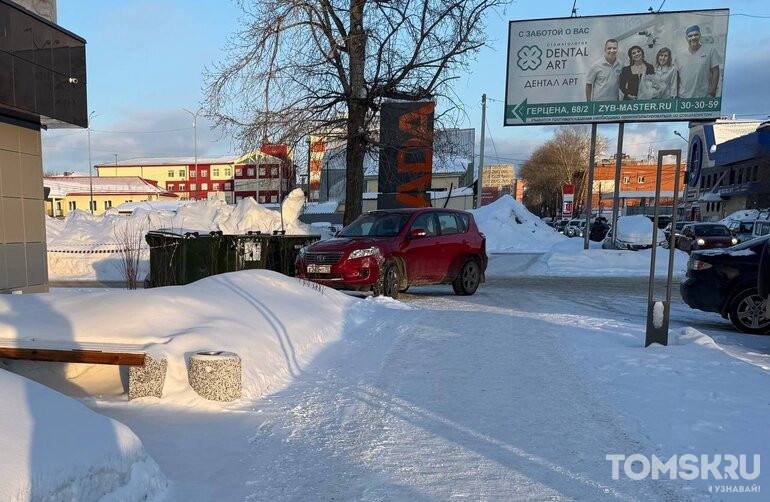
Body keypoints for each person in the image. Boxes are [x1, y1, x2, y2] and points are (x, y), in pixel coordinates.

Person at [676, 25, 721, 98]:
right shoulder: (680, 55)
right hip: (683, 97)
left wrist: (712, 92)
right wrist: (676, 95)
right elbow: (677, 77)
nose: (693, 38)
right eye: (690, 36)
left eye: (696, 35)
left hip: (703, 97)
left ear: (700, 35)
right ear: (686, 38)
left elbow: (715, 72)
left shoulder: (710, 51)